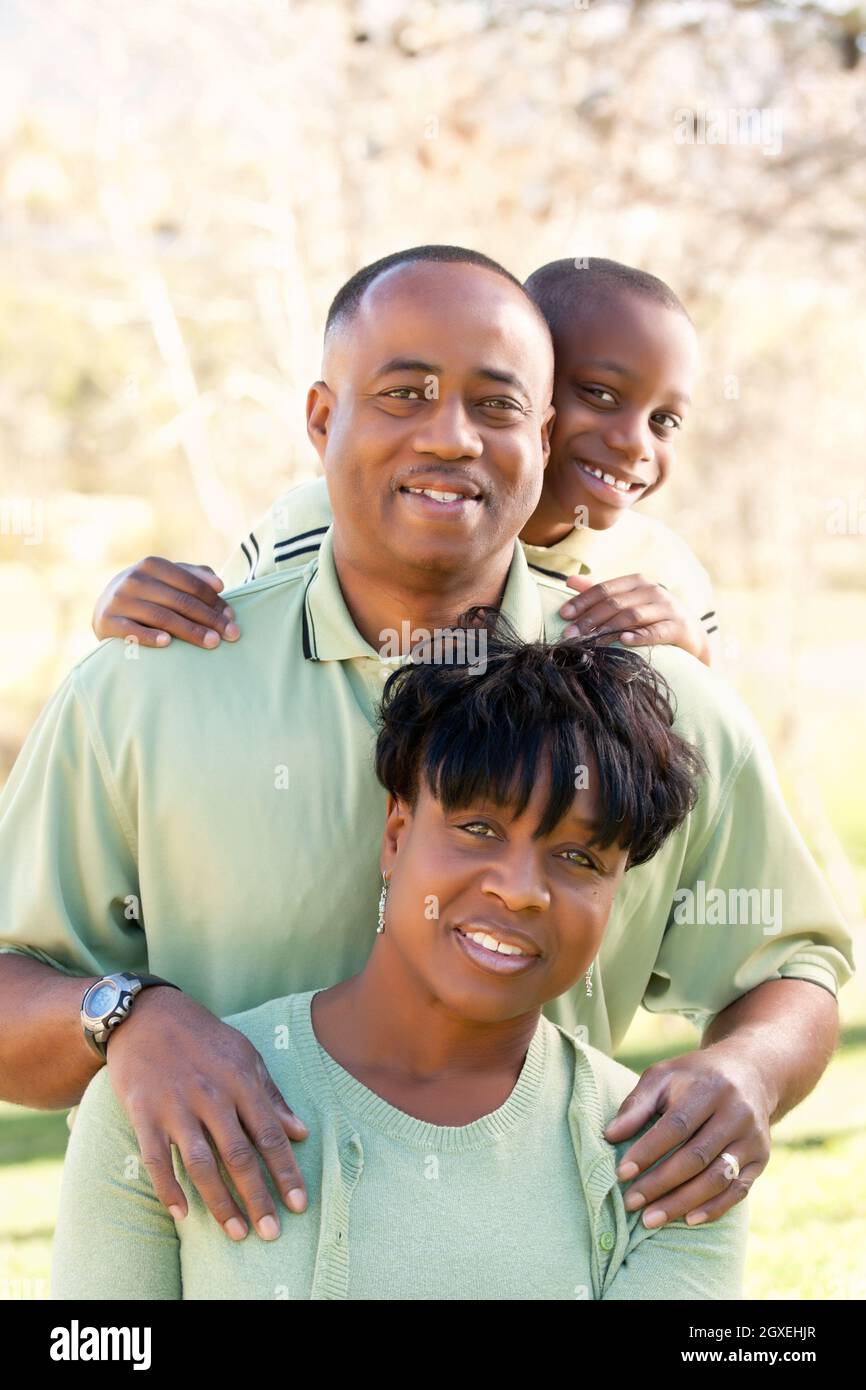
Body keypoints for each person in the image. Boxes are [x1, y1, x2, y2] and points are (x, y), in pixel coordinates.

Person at [0, 248, 852, 1255]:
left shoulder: (661, 705)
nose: (448, 437)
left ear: (538, 438)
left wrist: (748, 1069)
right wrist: (126, 1015)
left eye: (494, 407)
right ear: (322, 419)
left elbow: (792, 958)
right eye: (404, 393)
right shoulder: (148, 685)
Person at [51, 624, 748, 1300]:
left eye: (577, 858)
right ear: (396, 834)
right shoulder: (166, 1096)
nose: (520, 890)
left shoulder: (671, 1154)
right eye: (479, 829)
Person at [91, 257, 719, 664]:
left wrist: (691, 650)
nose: (636, 442)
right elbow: (224, 629)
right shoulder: (315, 522)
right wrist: (126, 611)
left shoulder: (661, 572)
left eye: (666, 420)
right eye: (601, 396)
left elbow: (713, 739)